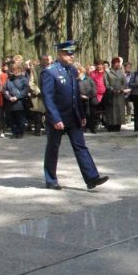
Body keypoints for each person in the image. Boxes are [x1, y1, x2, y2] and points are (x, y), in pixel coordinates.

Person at [41, 41, 109, 190]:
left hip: (73, 116)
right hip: (58, 118)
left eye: (72, 53)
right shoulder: (50, 72)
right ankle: (51, 180)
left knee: (80, 146)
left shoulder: (72, 70)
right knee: (53, 148)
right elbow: (48, 98)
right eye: (68, 53)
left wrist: (81, 114)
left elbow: (75, 94)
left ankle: (92, 177)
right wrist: (55, 118)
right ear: (60, 54)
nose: (71, 56)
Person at [3, 62, 30, 139]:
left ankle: (20, 133)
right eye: (14, 70)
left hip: (20, 103)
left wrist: (17, 97)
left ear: (20, 70)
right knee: (11, 119)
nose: (15, 71)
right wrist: (8, 97)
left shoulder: (24, 80)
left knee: (20, 119)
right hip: (10, 103)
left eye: (17, 70)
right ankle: (14, 132)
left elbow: (25, 91)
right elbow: (4, 90)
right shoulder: (9, 79)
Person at [104, 57, 127, 132]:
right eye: (116, 63)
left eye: (118, 63)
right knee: (111, 110)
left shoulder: (121, 72)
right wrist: (112, 89)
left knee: (119, 110)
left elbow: (124, 82)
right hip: (111, 94)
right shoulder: (107, 72)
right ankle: (111, 126)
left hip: (120, 94)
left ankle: (118, 125)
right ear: (113, 64)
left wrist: (121, 89)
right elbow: (106, 83)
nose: (118, 65)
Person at [76, 63, 98, 133]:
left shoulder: (89, 79)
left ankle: (92, 128)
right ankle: (83, 128)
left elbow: (94, 89)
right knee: (82, 114)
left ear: (82, 72)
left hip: (90, 100)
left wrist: (88, 96)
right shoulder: (76, 80)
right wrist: (80, 96)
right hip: (80, 100)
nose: (78, 74)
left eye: (79, 72)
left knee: (91, 114)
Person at [124, 62, 138, 131]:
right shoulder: (134, 74)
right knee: (136, 110)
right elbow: (130, 83)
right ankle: (136, 126)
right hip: (136, 94)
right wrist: (136, 84)